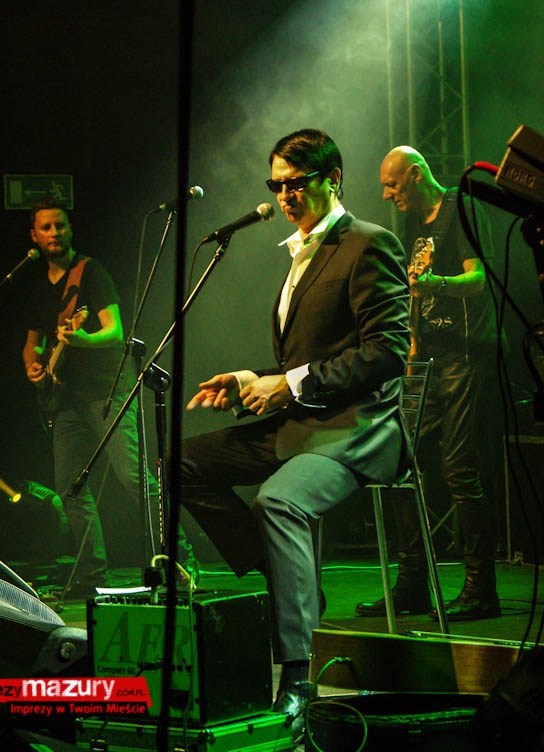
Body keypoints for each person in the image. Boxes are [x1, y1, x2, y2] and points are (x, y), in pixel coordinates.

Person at [179, 129, 410, 740]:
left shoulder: (369, 243)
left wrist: (290, 383)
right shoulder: (300, 253)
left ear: (333, 179)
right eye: (275, 185)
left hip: (357, 428)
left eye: (296, 183)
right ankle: (287, 581)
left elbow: (388, 352)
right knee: (179, 464)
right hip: (302, 423)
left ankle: (299, 676)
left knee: (277, 500)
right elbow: (308, 357)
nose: (284, 195)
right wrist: (252, 379)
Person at [23, 196, 197, 598]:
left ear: (70, 229)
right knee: (70, 489)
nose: (54, 233)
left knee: (134, 479)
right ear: (34, 235)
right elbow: (33, 343)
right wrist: (32, 365)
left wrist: (83, 340)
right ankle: (90, 575)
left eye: (60, 225)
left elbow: (115, 331)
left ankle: (182, 560)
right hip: (65, 400)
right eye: (46, 227)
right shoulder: (36, 286)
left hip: (107, 391)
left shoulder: (91, 272)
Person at [356, 145, 501, 622]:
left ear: (416, 175)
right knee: (400, 464)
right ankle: (413, 584)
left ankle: (481, 588)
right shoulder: (413, 223)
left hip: (464, 356)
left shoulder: (462, 209)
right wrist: (411, 345)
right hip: (427, 358)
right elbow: (410, 288)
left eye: (392, 184)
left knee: (460, 469)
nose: (387, 194)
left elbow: (478, 280)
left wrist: (437, 284)